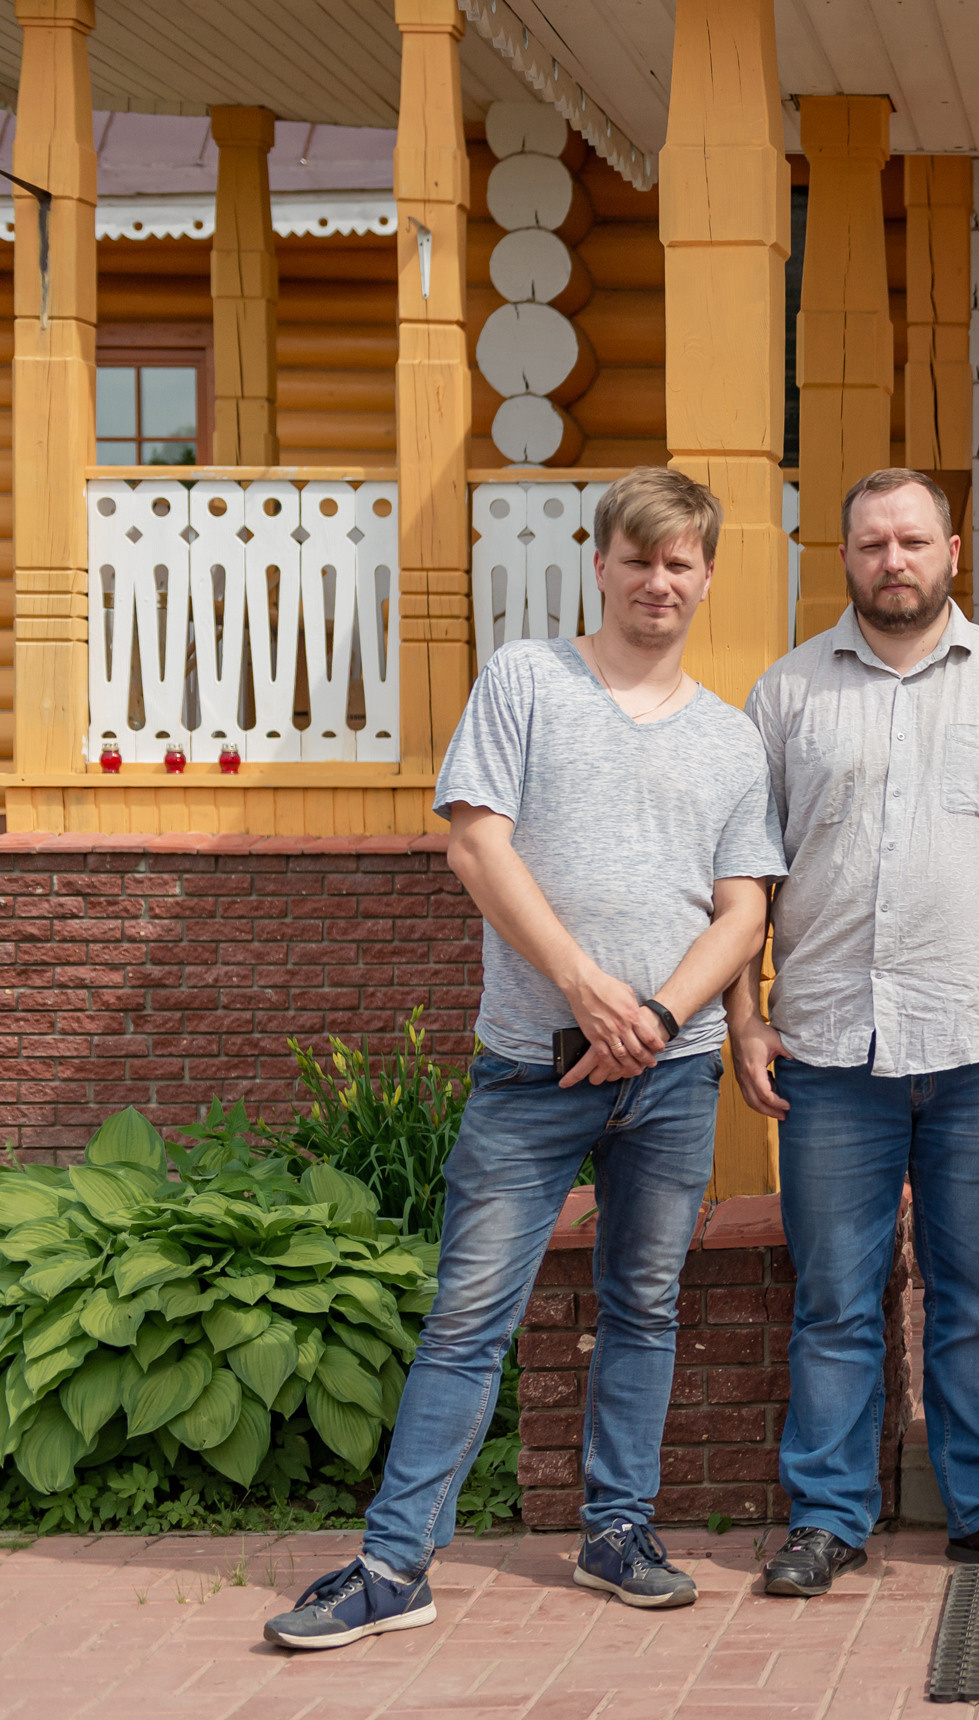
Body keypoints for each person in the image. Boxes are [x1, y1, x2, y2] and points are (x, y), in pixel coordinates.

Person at [264, 468, 785, 1650]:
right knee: (469, 1316)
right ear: (598, 564)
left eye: (681, 563)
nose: (660, 581)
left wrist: (647, 1014)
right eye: (639, 559)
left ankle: (618, 1531)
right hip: (531, 1064)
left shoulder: (729, 737)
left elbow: (743, 909)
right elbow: (475, 848)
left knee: (643, 1305)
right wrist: (584, 987)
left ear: (706, 576)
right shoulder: (527, 679)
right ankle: (395, 1562)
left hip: (669, 1069)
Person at [727, 467, 979, 1596]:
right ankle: (829, 1516)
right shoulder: (785, 695)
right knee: (836, 1297)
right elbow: (744, 873)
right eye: (874, 541)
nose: (895, 559)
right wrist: (744, 1013)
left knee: (975, 1294)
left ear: (951, 550)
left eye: (914, 539)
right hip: (833, 1051)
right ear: (844, 556)